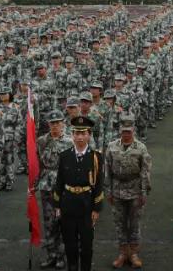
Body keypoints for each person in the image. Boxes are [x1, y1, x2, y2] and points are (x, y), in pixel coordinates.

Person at [54, 115, 105, 271]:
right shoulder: (64, 156)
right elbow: (59, 181)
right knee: (70, 245)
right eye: (77, 133)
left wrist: (96, 208)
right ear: (72, 135)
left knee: (86, 245)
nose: (80, 137)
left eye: (83, 133)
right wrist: (57, 205)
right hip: (68, 204)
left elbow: (99, 184)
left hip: (86, 205)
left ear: (89, 135)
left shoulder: (96, 157)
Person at [103, 114, 151, 268]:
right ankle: (123, 253)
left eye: (128, 131)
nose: (126, 134)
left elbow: (145, 171)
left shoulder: (141, 148)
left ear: (133, 131)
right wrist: (108, 191)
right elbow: (107, 170)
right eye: (124, 131)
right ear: (120, 131)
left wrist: (144, 192)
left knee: (134, 223)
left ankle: (134, 254)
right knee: (120, 224)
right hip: (117, 190)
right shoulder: (112, 147)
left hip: (135, 190)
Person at [38, 111, 73, 269]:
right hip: (46, 186)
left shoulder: (70, 142)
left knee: (63, 222)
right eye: (52, 123)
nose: (55, 126)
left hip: (63, 187)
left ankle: (61, 256)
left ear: (63, 123)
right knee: (49, 223)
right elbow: (38, 164)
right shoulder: (42, 141)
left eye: (58, 122)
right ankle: (51, 254)